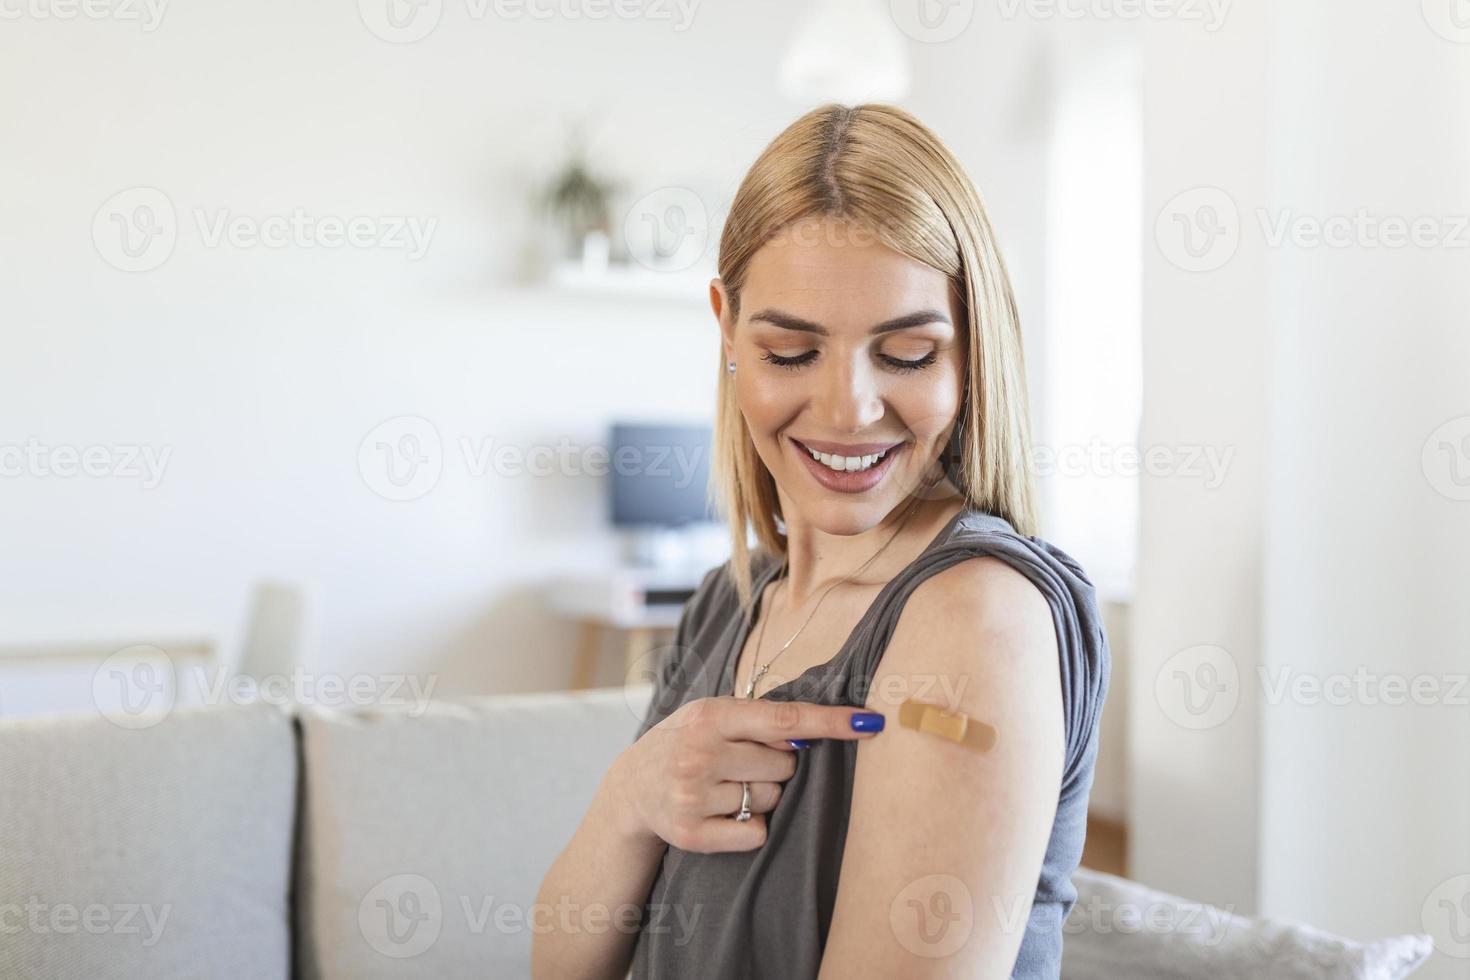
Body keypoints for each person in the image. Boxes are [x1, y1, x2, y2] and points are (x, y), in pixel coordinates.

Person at [532, 102, 1110, 980]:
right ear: (727, 329)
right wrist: (628, 800)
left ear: (971, 351)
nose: (848, 411)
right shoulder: (730, 601)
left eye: (908, 353)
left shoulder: (976, 615)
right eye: (792, 352)